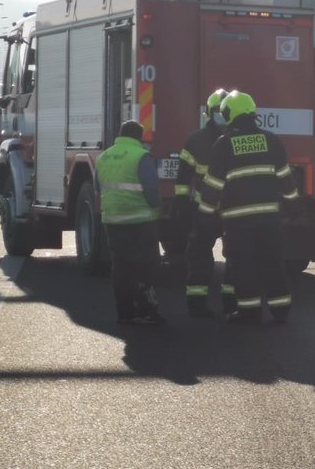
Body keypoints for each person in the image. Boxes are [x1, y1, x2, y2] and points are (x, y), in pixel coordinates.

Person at [197, 91, 300, 325]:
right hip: (269, 219)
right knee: (274, 262)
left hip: (238, 222)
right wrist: (294, 207)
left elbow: (213, 185)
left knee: (244, 266)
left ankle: (250, 313)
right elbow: (286, 179)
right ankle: (281, 309)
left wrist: (205, 216)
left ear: (230, 114)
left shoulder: (223, 145)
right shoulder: (272, 140)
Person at [95, 120, 164, 325]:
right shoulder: (141, 156)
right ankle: (146, 311)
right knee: (146, 266)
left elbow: (98, 188)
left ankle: (125, 312)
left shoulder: (103, 157)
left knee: (121, 267)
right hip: (141, 220)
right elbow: (151, 190)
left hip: (113, 221)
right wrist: (158, 207)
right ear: (139, 137)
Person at [175, 87, 233, 318]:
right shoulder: (196, 141)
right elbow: (183, 177)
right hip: (213, 210)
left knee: (234, 258)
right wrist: (181, 203)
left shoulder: (200, 139)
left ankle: (227, 302)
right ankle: (200, 303)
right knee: (200, 258)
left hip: (218, 210)